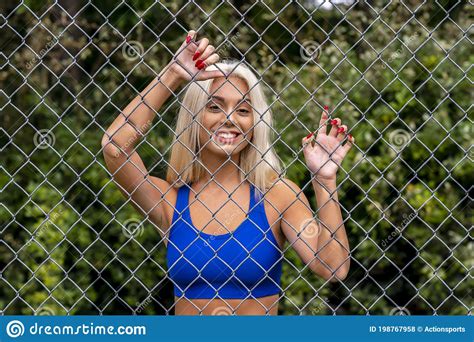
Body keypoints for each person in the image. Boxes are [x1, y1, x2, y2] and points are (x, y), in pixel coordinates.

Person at [101, 30, 355, 315]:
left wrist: (323, 180)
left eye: (244, 110)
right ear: (194, 117)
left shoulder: (278, 195)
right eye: (214, 106)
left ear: (255, 123)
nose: (230, 119)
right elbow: (115, 147)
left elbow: (334, 267)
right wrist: (172, 75)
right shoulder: (170, 201)